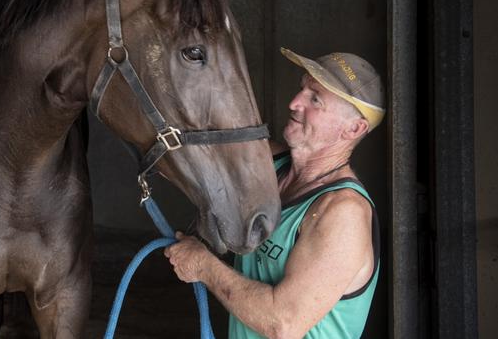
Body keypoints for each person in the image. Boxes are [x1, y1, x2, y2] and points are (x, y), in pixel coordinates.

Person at [164, 47, 385, 339]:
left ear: (353, 129)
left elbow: (282, 323)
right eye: (302, 89)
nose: (294, 103)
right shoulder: (271, 164)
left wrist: (203, 266)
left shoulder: (343, 213)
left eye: (315, 99)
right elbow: (187, 146)